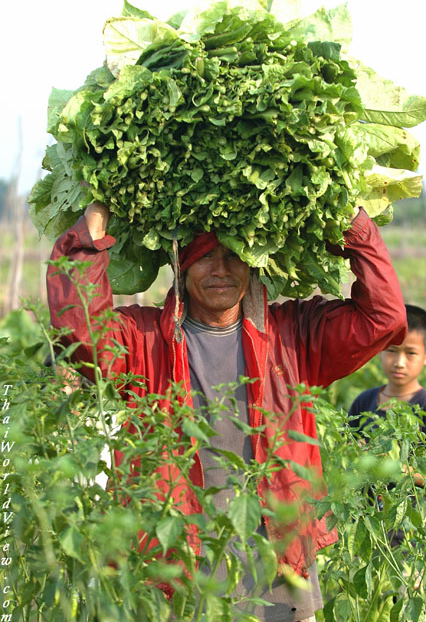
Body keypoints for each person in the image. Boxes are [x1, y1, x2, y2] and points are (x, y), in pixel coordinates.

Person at [47, 202, 406, 622]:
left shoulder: (293, 335)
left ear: (254, 265)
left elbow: (383, 318)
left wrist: (350, 221)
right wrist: (93, 226)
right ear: (181, 267)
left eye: (234, 255)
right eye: (204, 258)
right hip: (177, 564)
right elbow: (80, 332)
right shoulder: (144, 340)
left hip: (278, 563)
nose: (220, 270)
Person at [348, 304, 426, 435]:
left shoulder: (423, 405)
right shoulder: (364, 401)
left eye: (411, 353)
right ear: (379, 350)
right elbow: (346, 447)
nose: (399, 363)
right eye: (391, 350)